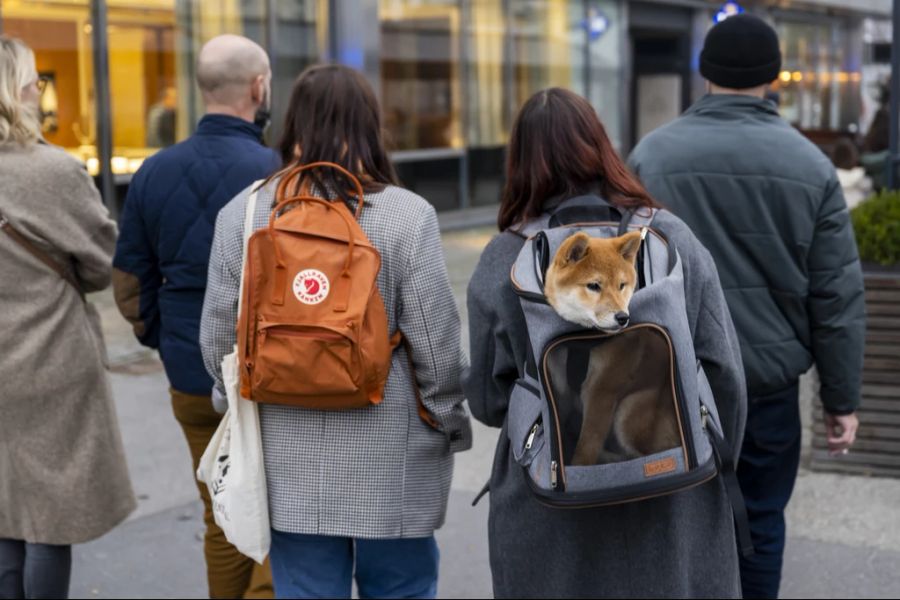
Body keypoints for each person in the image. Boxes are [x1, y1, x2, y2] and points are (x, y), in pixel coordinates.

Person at [199, 64, 473, 599]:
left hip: (284, 451)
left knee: (304, 589)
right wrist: (447, 421)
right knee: (402, 588)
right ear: (372, 125)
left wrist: (232, 403)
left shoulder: (246, 213)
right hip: (391, 450)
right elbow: (436, 347)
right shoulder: (405, 215)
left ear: (291, 122)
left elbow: (216, 339)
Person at [463, 87, 747, 598]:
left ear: (520, 162)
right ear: (603, 147)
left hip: (550, 510)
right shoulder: (668, 239)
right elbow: (723, 371)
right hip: (672, 501)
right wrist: (706, 463)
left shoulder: (505, 256)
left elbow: (486, 399)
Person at [629, 14, 865, 599]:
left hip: (671, 382)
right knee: (759, 522)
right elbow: (836, 295)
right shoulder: (812, 167)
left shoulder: (651, 158)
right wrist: (841, 401)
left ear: (704, 72)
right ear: (772, 77)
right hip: (767, 387)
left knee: (671, 525)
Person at [112, 34, 279, 598]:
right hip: (273, 375)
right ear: (259, 88)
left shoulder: (154, 171)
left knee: (221, 512)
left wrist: (160, 337)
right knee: (278, 517)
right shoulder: (279, 173)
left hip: (190, 375)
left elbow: (130, 279)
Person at [0, 35, 135, 599]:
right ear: (15, 90)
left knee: (5, 507)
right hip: (50, 359)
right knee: (50, 519)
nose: (39, 89)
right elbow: (106, 264)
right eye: (33, 79)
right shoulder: (50, 171)